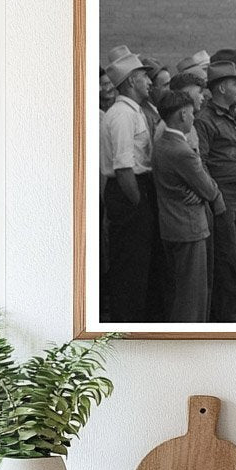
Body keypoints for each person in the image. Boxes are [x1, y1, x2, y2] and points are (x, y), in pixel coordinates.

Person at [151, 91, 226, 322]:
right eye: (192, 113)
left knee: (180, 291)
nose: (194, 118)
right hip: (190, 228)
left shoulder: (161, 144)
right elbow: (209, 189)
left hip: (171, 226)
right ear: (182, 114)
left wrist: (198, 192)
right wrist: (204, 194)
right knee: (192, 297)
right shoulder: (182, 151)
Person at [100, 52, 157, 322]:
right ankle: (127, 322)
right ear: (133, 81)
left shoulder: (132, 112)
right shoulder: (122, 115)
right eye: (145, 77)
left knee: (138, 261)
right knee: (129, 263)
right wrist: (138, 204)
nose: (149, 82)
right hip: (128, 191)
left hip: (134, 187)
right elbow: (124, 168)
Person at [194, 61, 236, 321]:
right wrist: (214, 196)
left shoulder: (232, 113)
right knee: (225, 253)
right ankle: (225, 315)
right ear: (222, 87)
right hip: (222, 191)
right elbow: (200, 162)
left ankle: (231, 309)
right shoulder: (205, 120)